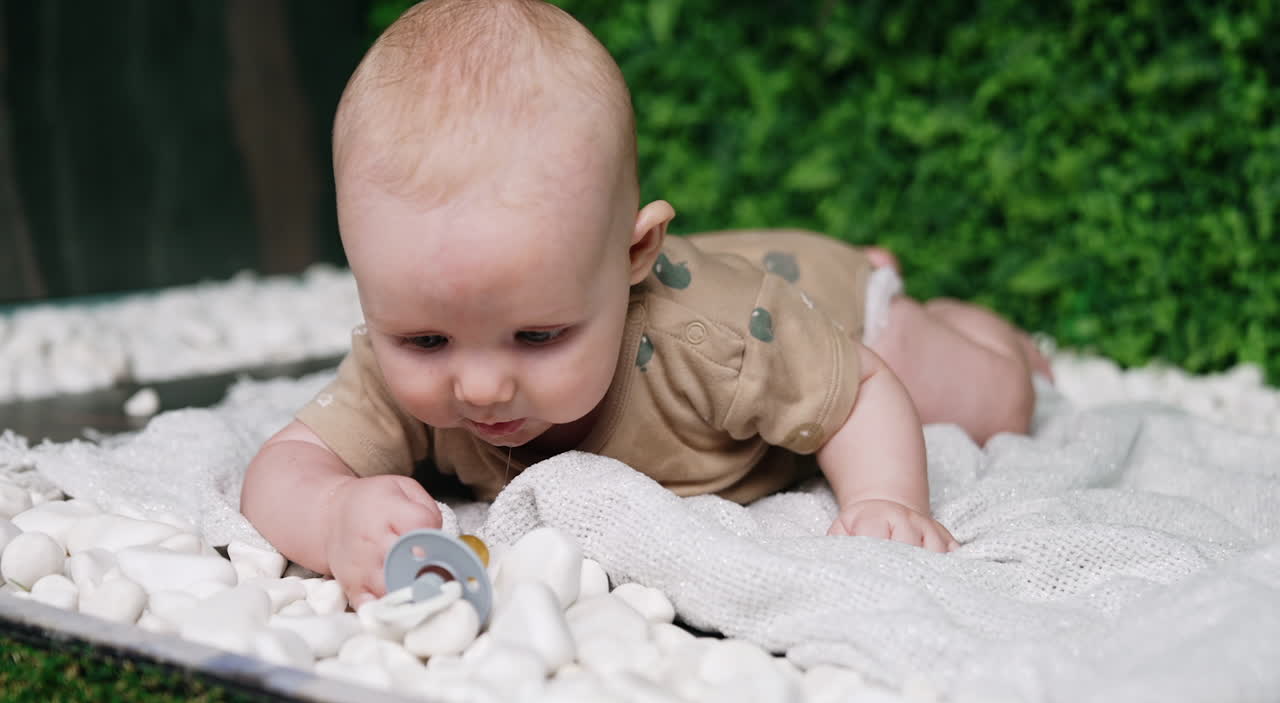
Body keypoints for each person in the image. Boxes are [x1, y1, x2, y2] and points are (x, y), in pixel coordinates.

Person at [240, 0, 1052, 608]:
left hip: (826, 304)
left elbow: (866, 391)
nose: (479, 386)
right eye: (423, 339)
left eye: (537, 334)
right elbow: (284, 469)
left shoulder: (720, 340)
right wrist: (336, 510)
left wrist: (885, 500)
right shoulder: (404, 368)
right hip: (715, 271)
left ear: (634, 259)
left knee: (994, 401)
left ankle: (978, 328)